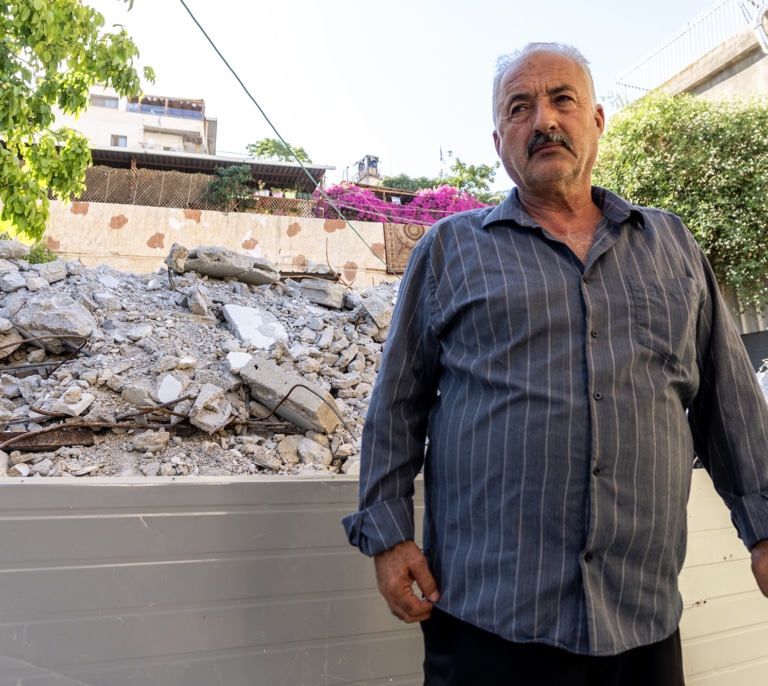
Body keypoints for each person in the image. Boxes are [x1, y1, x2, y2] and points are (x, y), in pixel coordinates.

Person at [342, 42, 768, 685]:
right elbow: (395, 406)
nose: (543, 120)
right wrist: (388, 534)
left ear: (596, 120)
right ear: (497, 140)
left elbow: (728, 401)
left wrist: (764, 528)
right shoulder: (450, 251)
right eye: (520, 107)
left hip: (640, 621)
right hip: (489, 622)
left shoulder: (671, 245)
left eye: (562, 100)